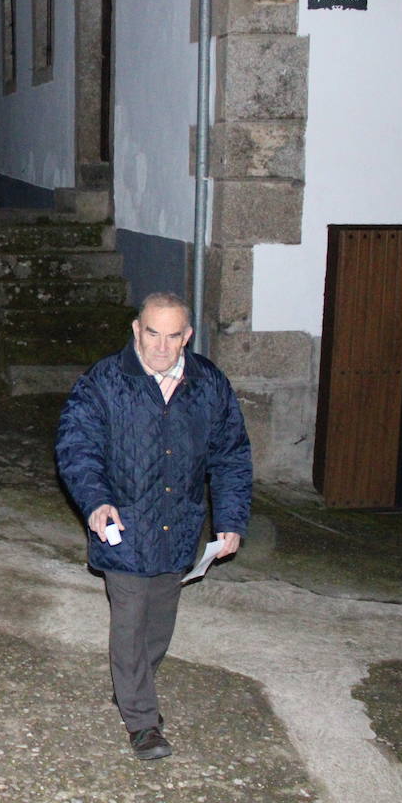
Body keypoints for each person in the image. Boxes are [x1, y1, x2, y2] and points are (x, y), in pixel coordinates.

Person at [54, 293, 252, 761]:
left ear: (187, 336)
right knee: (130, 619)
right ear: (136, 329)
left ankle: (132, 685)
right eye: (151, 333)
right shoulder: (104, 381)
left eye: (173, 336)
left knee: (159, 623)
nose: (161, 347)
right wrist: (96, 501)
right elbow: (76, 447)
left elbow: (231, 456)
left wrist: (230, 519)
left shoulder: (209, 385)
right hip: (122, 526)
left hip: (179, 527)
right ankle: (142, 721)